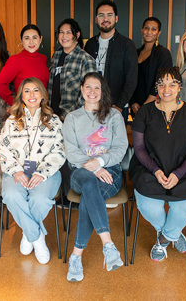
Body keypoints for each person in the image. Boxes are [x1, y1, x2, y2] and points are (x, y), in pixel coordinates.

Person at [128, 67, 186, 262]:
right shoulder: (145, 112)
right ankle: (174, 233)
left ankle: (163, 240)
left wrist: (178, 174)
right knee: (149, 206)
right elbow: (138, 148)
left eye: (172, 84)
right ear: (156, 88)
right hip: (150, 169)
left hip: (185, 170)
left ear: (180, 87)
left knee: (182, 207)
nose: (166, 89)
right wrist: (155, 171)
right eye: (161, 84)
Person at [63, 72, 128, 282]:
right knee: (90, 182)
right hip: (80, 172)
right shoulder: (72, 118)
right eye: (88, 87)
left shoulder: (114, 116)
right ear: (81, 90)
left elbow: (120, 147)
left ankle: (76, 256)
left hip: (111, 172)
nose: (92, 92)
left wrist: (101, 163)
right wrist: (93, 168)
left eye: (97, 88)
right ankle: (108, 244)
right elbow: (71, 152)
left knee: (89, 197)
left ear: (102, 92)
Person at [0, 77, 65, 264]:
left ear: (43, 95)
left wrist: (41, 173)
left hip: (46, 172)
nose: (32, 95)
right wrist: (16, 171)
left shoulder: (54, 121)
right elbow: (3, 149)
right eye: (27, 91)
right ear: (21, 96)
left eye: (36, 90)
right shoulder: (12, 121)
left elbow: (59, 151)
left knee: (39, 198)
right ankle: (36, 236)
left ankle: (28, 234)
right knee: (11, 195)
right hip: (17, 170)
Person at [84, 0, 138, 121]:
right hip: (92, 104)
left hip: (117, 106)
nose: (105, 19)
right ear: (96, 19)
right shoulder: (90, 44)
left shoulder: (127, 45)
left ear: (116, 18)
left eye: (109, 15)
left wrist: (119, 106)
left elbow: (131, 79)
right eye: (101, 15)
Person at [48, 18, 97, 119]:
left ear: (77, 35)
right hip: (52, 116)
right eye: (61, 32)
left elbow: (89, 94)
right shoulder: (56, 55)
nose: (64, 36)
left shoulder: (86, 59)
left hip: (73, 118)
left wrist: (70, 115)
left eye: (68, 32)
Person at [0, 24, 49, 106]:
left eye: (34, 37)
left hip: (43, 108)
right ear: (21, 40)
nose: (31, 42)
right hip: (25, 109)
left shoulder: (43, 59)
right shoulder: (15, 60)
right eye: (27, 38)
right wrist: (15, 104)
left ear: (40, 39)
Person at [133, 17, 173, 114]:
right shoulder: (135, 53)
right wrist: (133, 102)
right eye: (146, 28)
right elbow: (130, 78)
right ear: (142, 30)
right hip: (136, 106)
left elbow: (162, 81)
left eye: (153, 29)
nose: (149, 32)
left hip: (156, 106)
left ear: (158, 33)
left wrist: (146, 105)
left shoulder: (163, 53)